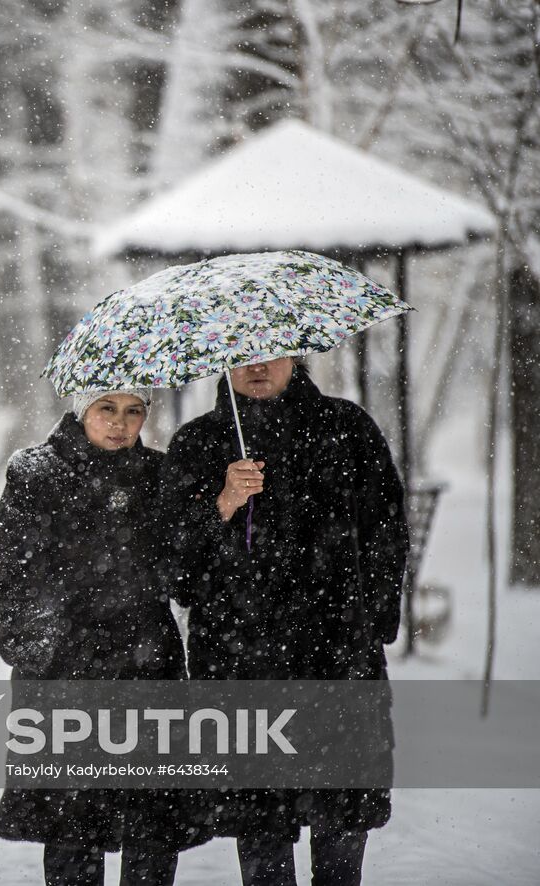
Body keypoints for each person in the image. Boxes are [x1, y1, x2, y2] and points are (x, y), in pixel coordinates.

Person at [160, 357, 409, 886]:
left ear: (294, 354)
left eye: (269, 352)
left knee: (342, 819)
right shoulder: (198, 445)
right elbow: (176, 568)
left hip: (336, 657)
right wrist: (224, 502)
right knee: (260, 829)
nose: (256, 366)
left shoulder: (347, 429)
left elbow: (386, 532)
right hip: (242, 664)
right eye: (240, 355)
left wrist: (374, 622)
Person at [0, 389, 205, 886]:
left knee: (152, 834)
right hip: (68, 680)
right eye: (106, 409)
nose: (120, 424)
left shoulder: (159, 474)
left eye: (134, 412)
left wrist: (221, 508)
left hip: (149, 671)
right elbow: (10, 580)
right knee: (72, 836)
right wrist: (53, 655)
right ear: (82, 410)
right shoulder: (36, 475)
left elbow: (185, 574)